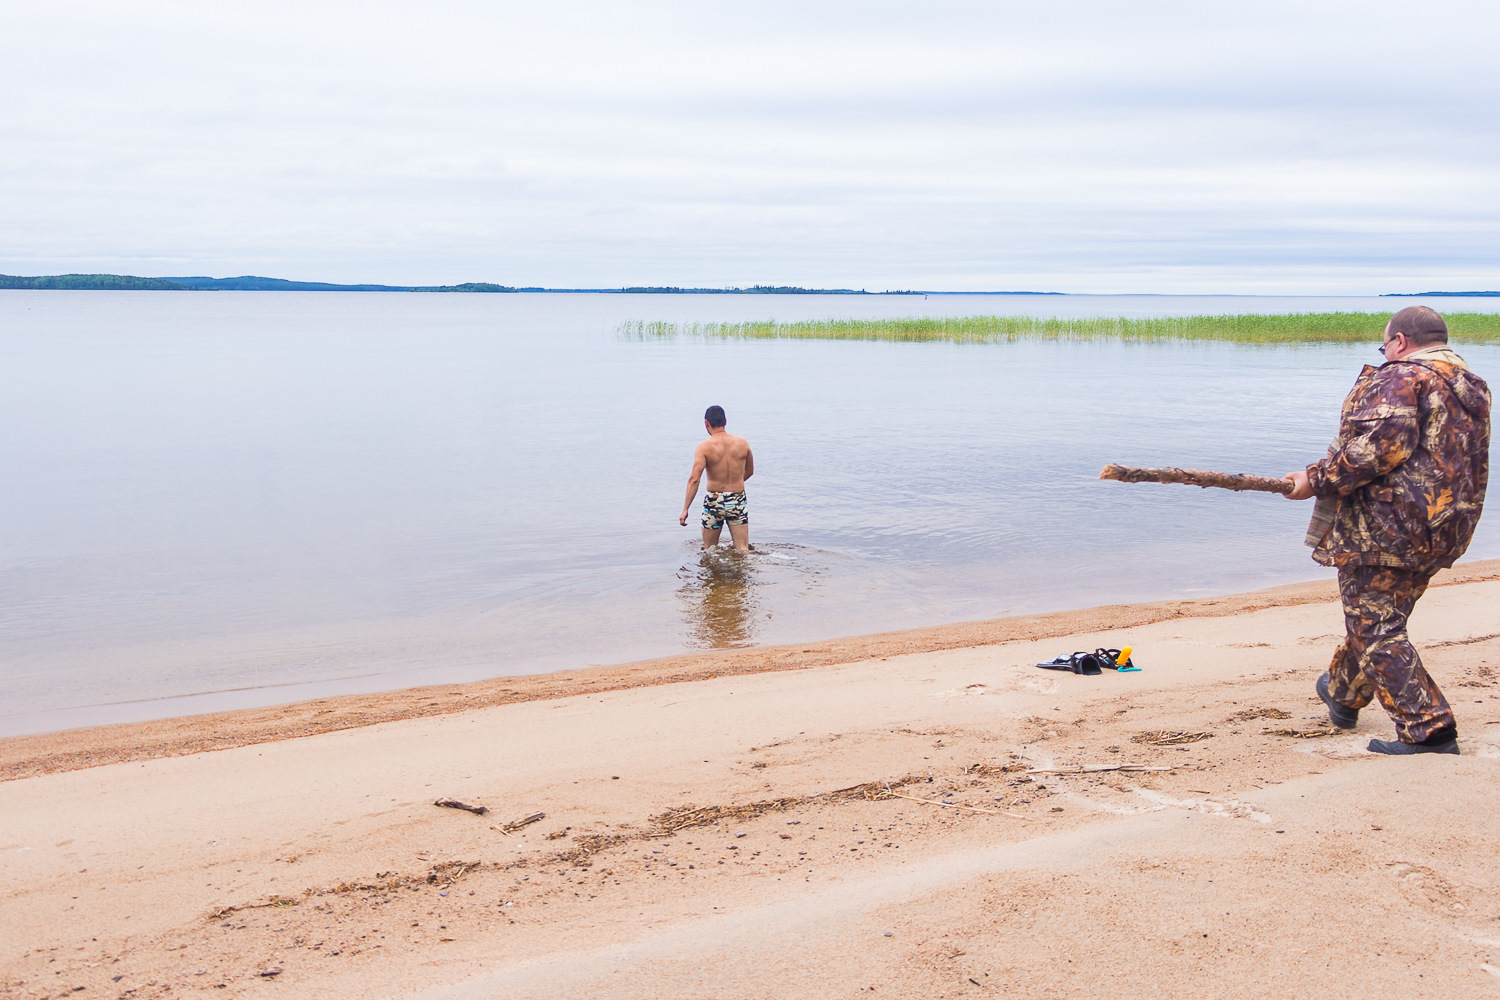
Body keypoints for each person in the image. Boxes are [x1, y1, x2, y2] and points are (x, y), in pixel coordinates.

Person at [1284, 306, 1490, 755]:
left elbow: (1375, 450)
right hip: (1445, 524)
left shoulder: (1402, 376)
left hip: (1388, 528)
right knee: (1381, 615)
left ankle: (1428, 728)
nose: (1385, 353)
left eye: (1385, 346)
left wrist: (1315, 480)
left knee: (1376, 625)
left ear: (1398, 341)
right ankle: (1342, 692)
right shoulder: (1469, 384)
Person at [680, 405, 755, 550]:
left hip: (714, 501)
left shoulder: (703, 447)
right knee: (742, 549)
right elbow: (750, 471)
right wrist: (733, 483)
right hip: (737, 499)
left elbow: (694, 479)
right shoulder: (742, 443)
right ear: (725, 421)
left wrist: (685, 508)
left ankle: (713, 572)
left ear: (706, 423)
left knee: (709, 549)